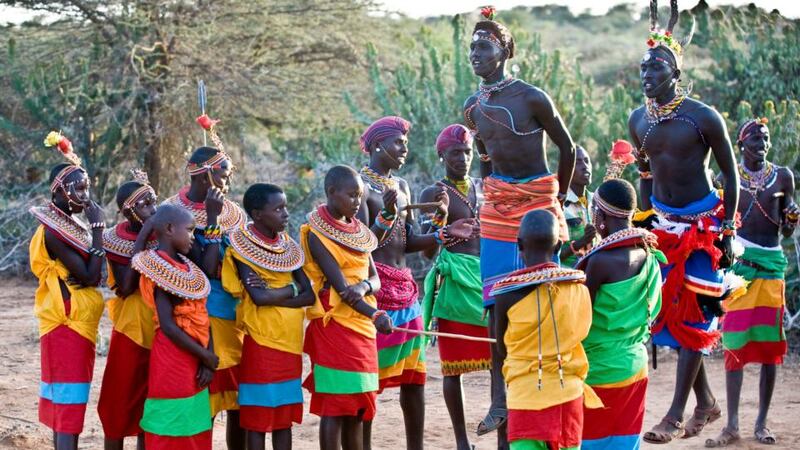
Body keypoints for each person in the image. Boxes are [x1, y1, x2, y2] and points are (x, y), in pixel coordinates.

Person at [630, 2, 740, 443]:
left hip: (704, 228)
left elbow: (731, 175)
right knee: (668, 318)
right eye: (643, 67)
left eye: (657, 67)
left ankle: (674, 415)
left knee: (695, 317)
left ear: (675, 72)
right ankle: (707, 403)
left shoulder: (703, 116)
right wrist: (641, 224)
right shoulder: (639, 120)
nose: (647, 73)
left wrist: (728, 231)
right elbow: (643, 176)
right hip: (661, 226)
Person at [463, 7, 576, 438]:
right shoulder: (473, 107)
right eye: (471, 46)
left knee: (543, 295)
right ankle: (498, 397)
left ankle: (554, 383)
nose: (475, 53)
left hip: (538, 201)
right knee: (495, 303)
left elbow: (567, 147)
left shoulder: (531, 97)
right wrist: (488, 188)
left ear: (505, 50)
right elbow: (487, 157)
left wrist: (559, 199)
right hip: (497, 204)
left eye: (484, 45)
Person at [355, 117, 477, 450]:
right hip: (376, 288)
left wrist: (442, 230)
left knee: (415, 379)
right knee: (371, 379)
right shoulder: (361, 188)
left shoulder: (403, 186)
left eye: (406, 144)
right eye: (398, 143)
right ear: (379, 145)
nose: (404, 149)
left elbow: (408, 241)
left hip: (407, 289)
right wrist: (386, 215)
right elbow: (363, 244)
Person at [705, 119, 798, 447]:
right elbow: (717, 221)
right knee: (735, 343)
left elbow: (786, 230)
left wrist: (792, 217)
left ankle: (761, 423)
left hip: (771, 266)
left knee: (770, 346)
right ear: (741, 144)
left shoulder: (783, 176)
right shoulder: (726, 176)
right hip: (740, 270)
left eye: (767, 138)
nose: (763, 143)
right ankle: (731, 425)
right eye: (756, 139)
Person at [164, 115, 247, 449]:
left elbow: (238, 259)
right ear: (205, 173)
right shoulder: (172, 212)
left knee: (238, 402)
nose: (227, 184)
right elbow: (205, 266)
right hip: (198, 318)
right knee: (205, 399)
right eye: (224, 175)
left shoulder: (235, 213)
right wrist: (212, 221)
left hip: (234, 314)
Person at [301, 165, 393, 450]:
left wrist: (364, 288)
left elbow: (374, 279)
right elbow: (342, 290)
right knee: (336, 404)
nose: (357, 201)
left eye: (360, 195)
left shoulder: (360, 233)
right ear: (331, 192)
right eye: (352, 195)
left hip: (362, 326)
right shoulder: (317, 234)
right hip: (335, 324)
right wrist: (375, 313)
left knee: (357, 405)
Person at [492, 209, 600, 450]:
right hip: (568, 394)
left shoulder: (505, 293)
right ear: (560, 245)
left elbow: (501, 348)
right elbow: (582, 331)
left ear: (519, 244)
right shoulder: (578, 286)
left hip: (525, 397)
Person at [221, 183, 314, 450]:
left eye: (285, 207)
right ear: (257, 214)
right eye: (278, 208)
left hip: (289, 344)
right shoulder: (241, 247)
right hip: (261, 345)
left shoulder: (289, 247)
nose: (285, 214)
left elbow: (309, 295)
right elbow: (258, 299)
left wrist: (282, 292)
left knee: (284, 418)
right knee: (257, 419)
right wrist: (290, 292)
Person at [29, 132, 106, 450]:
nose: (85, 195)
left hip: (74, 324)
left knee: (68, 401)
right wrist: (99, 229)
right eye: (78, 188)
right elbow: (90, 276)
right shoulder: (54, 231)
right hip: (66, 325)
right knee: (69, 405)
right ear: (58, 190)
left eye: (87, 187)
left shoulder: (70, 224)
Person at [419, 124, 492, 450]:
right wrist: (444, 223)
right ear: (441, 156)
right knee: (452, 368)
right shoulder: (433, 193)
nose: (462, 158)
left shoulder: (483, 187)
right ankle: (462, 442)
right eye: (454, 153)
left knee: (500, 364)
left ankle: (503, 437)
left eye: (466, 151)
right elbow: (427, 251)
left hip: (488, 280)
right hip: (455, 286)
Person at [576, 179, 663, 449]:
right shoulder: (649, 254)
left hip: (599, 370)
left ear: (600, 217)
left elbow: (579, 319)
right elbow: (655, 311)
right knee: (625, 441)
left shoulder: (600, 262)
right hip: (635, 365)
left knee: (591, 441)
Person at [132, 204, 217, 449]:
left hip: (195, 356)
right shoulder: (157, 268)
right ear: (169, 229)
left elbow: (201, 315)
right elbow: (169, 326)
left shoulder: (187, 266)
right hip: (173, 357)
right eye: (189, 230)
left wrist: (206, 358)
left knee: (192, 421)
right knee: (170, 420)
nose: (193, 236)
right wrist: (206, 356)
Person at [97, 170, 159, 450]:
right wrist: (143, 237)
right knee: (119, 401)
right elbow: (125, 285)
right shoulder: (113, 240)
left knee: (151, 403)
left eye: (153, 202)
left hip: (161, 329)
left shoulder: (166, 235)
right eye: (145, 205)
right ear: (127, 211)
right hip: (131, 330)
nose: (153, 210)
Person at [560, 146, 597, 267]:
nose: (585, 166)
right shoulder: (559, 205)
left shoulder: (597, 201)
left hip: (596, 272)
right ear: (567, 169)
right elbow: (551, 255)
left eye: (587, 161)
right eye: (578, 162)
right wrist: (582, 242)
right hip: (568, 277)